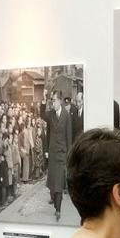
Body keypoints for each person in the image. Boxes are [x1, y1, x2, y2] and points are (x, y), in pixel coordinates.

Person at [45, 92, 74, 221]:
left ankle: (58, 209)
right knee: (52, 183)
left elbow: (69, 137)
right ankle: (55, 201)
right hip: (52, 153)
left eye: (54, 100)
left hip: (62, 154)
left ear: (60, 101)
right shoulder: (51, 115)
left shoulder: (66, 116)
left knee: (58, 182)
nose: (53, 103)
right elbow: (48, 134)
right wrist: (46, 149)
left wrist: (68, 155)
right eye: (51, 100)